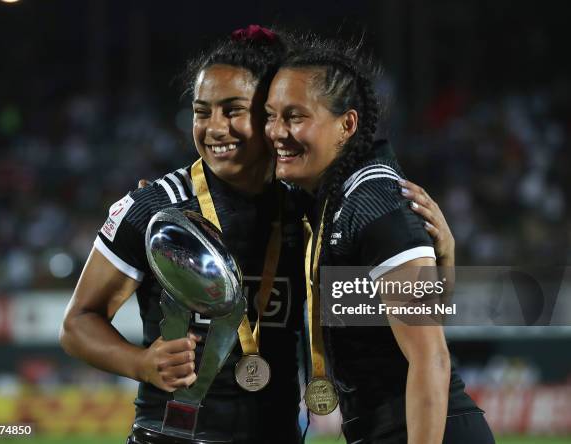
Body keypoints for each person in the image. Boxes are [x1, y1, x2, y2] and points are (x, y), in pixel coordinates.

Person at [60, 26, 457, 443]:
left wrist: (443, 255)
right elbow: (77, 323)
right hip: (172, 437)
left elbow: (387, 312)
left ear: (269, 116)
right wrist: (140, 363)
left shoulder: (308, 212)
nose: (214, 128)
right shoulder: (156, 207)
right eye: (201, 111)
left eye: (233, 110)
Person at [264, 35, 495, 443]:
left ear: (347, 125)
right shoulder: (328, 200)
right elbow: (394, 319)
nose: (276, 132)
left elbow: (430, 357)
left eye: (295, 116)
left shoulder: (374, 200)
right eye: (271, 116)